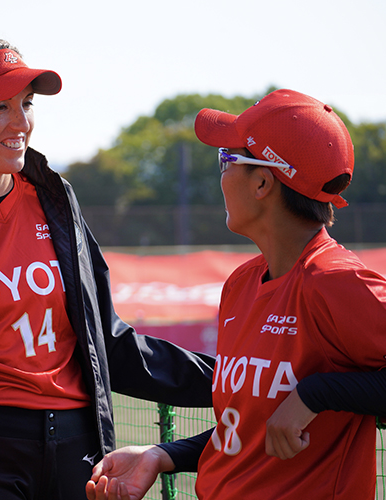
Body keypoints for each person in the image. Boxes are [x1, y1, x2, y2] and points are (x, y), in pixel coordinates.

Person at [0, 37, 214, 500]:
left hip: (79, 451)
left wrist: (233, 380)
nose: (21, 122)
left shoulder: (56, 200)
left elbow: (106, 341)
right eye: (0, 107)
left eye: (26, 104)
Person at [86, 89, 386, 500]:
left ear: (262, 182)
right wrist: (161, 455)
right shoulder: (242, 283)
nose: (220, 175)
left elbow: (303, 406)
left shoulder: (336, 281)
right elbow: (247, 427)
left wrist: (316, 395)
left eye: (226, 160)